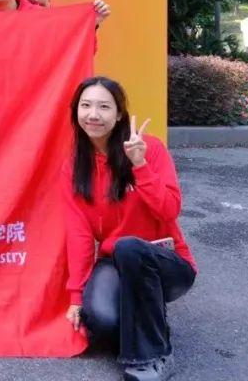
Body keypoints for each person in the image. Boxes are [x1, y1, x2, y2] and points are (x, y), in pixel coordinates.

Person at [63, 76, 196, 381]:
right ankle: (148, 316)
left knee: (129, 246)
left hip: (165, 262)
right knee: (103, 322)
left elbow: (169, 210)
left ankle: (153, 355)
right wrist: (76, 297)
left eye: (103, 107)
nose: (93, 114)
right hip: (116, 262)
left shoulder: (149, 148)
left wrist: (140, 165)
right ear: (76, 111)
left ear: (119, 113)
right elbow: (79, 233)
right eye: (85, 105)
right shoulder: (74, 167)